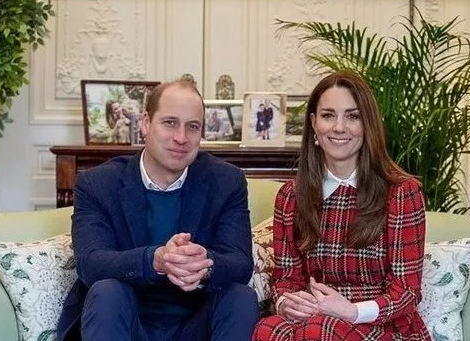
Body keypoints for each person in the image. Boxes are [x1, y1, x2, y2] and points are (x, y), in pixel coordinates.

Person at [57, 80, 259, 341]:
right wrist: (157, 260)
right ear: (145, 123)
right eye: (170, 122)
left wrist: (204, 263)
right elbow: (91, 264)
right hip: (125, 322)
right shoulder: (98, 184)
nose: (181, 138)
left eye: (193, 127)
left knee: (240, 296)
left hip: (196, 326)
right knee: (108, 291)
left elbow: (240, 264)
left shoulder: (226, 181)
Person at [251, 70, 430, 341]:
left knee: (321, 331)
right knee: (268, 330)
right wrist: (286, 302)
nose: (339, 127)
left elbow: (406, 290)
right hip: (315, 317)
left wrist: (351, 311)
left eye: (352, 116)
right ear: (313, 123)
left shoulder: (401, 193)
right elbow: (287, 278)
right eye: (328, 115)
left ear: (368, 124)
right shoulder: (291, 197)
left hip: (381, 323)